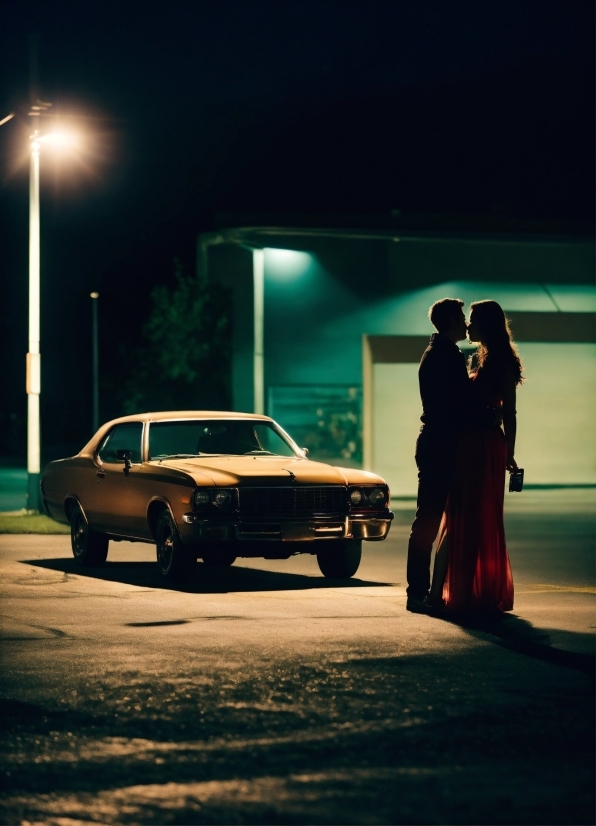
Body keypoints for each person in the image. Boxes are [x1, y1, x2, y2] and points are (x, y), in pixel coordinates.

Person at [427, 300, 523, 613]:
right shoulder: (481, 358)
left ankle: (451, 592)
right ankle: (448, 591)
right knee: (460, 517)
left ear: (487, 325)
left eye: (473, 321)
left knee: (468, 517)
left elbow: (509, 411)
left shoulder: (500, 361)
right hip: (471, 444)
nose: (468, 326)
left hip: (484, 447)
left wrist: (509, 452)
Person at [406, 298, 470, 612]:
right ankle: (417, 592)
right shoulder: (446, 356)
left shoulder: (439, 353)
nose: (466, 323)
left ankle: (422, 590)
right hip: (440, 445)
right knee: (429, 520)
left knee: (429, 519)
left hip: (434, 443)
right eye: (461, 317)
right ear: (450, 322)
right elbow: (459, 405)